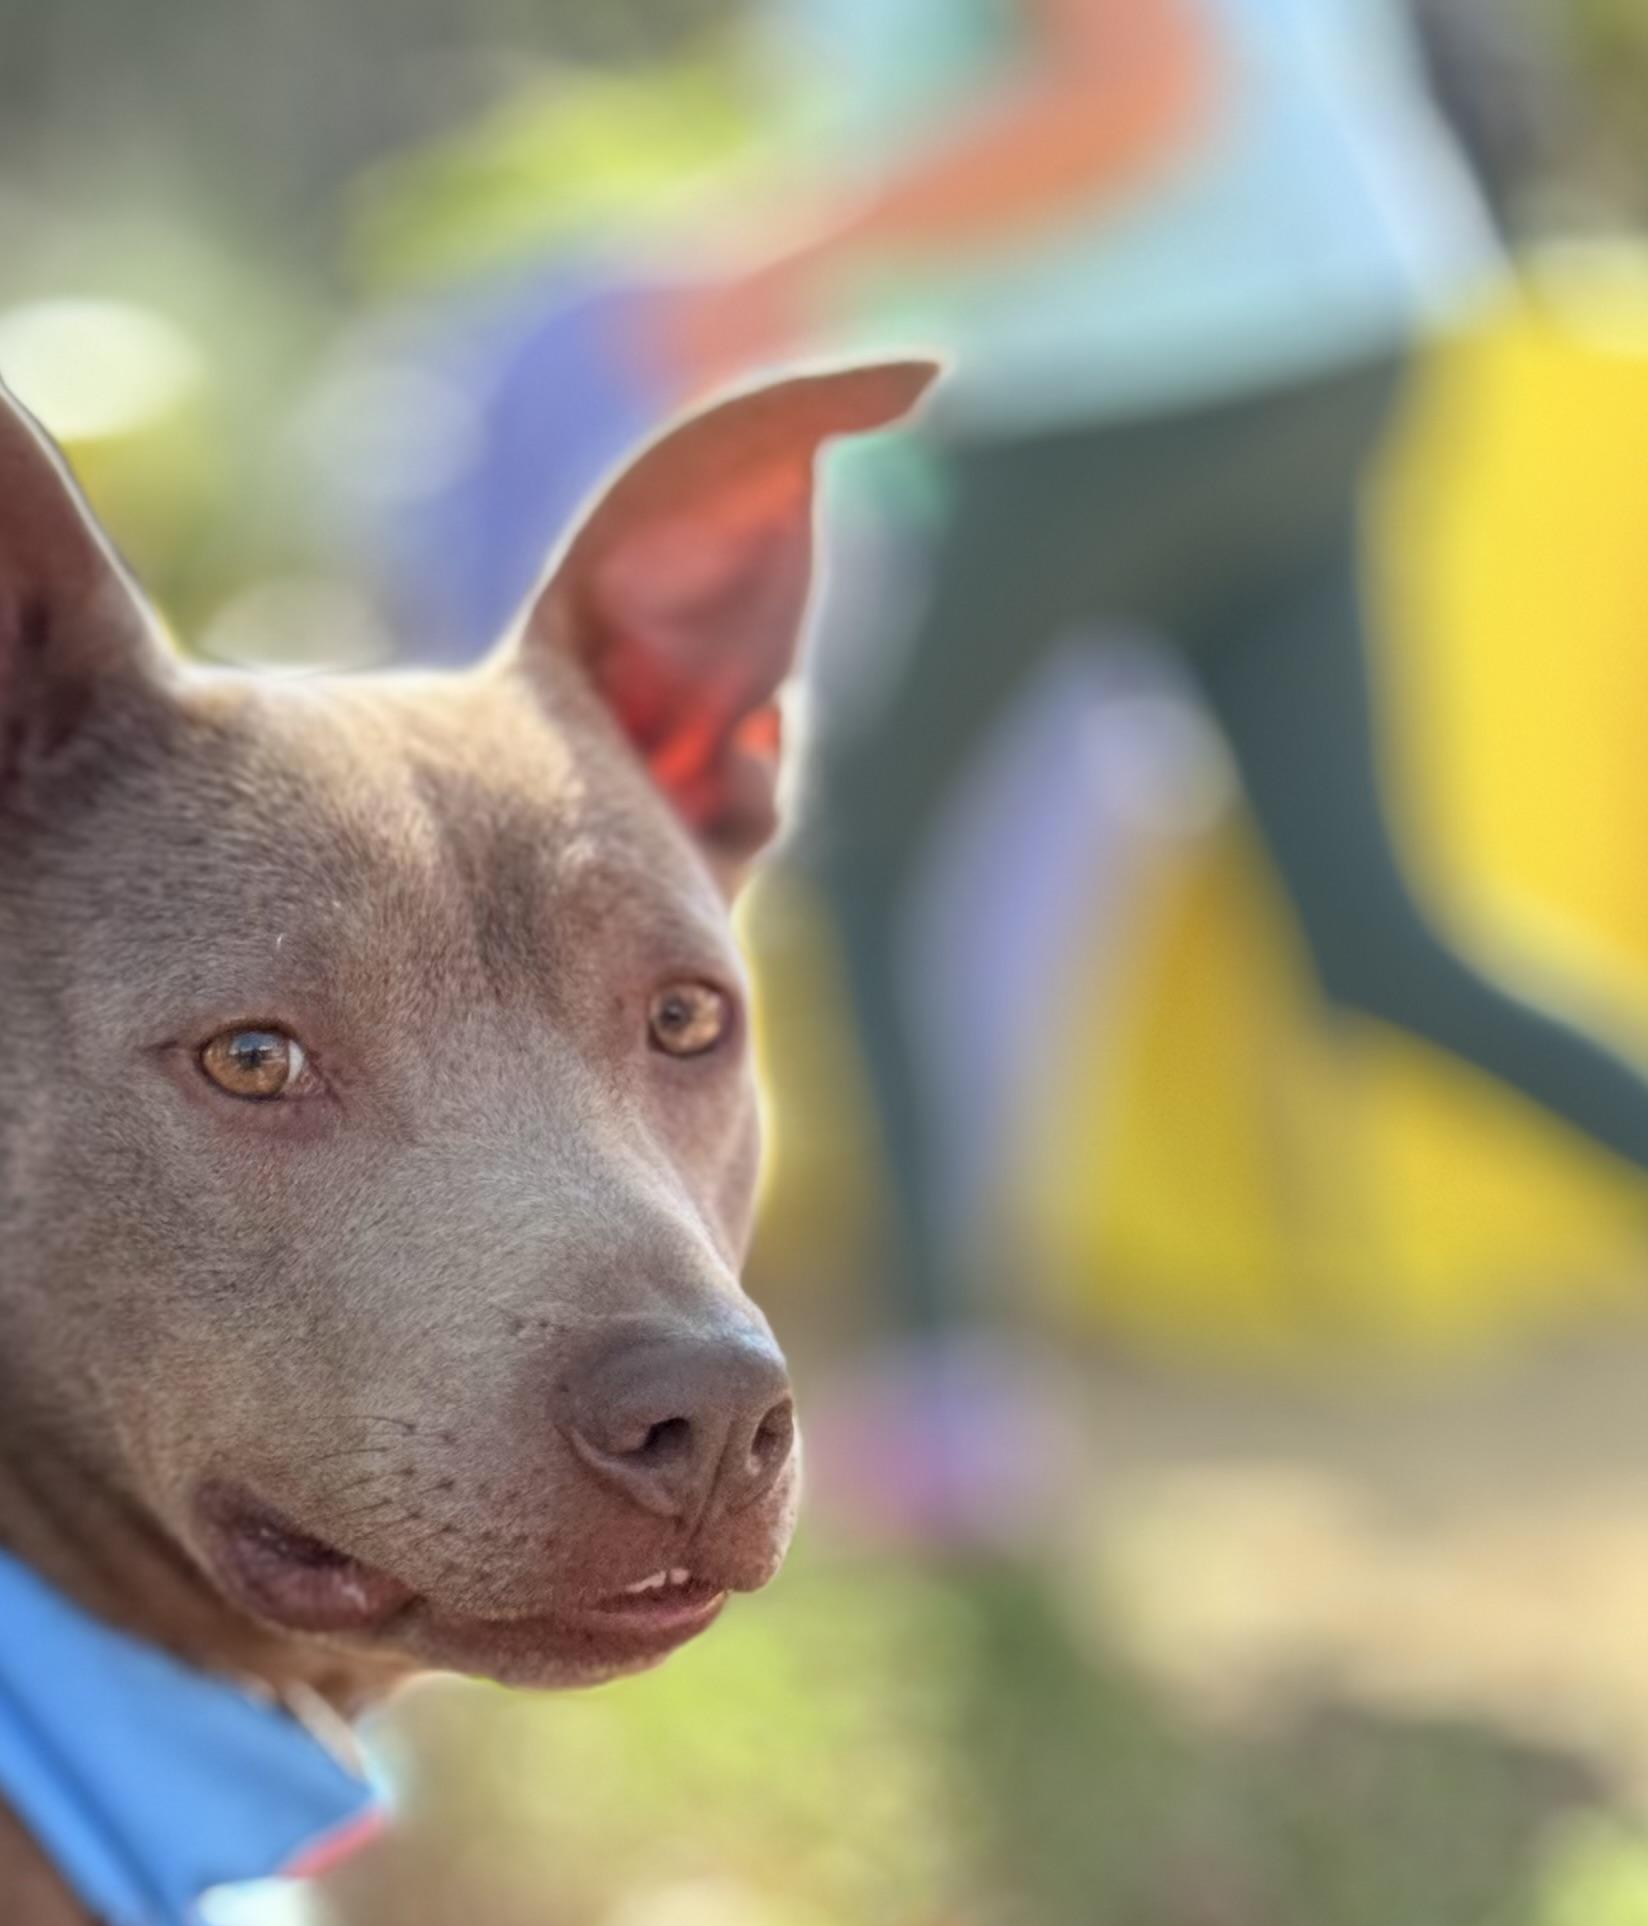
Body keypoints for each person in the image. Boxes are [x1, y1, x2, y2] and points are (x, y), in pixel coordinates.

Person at [668, 0, 1648, 1537]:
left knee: (871, 854)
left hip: (1143, 379)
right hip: (1320, 337)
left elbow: (1140, 91)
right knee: (1372, 933)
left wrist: (792, 252)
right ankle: (944, 1394)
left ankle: (941, 1402)